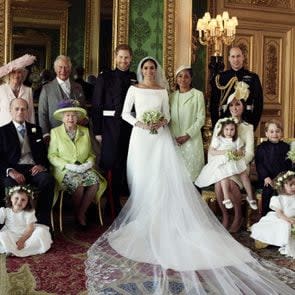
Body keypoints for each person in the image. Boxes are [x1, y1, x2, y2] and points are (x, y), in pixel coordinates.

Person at [85, 57, 294, 295]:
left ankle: (163, 218)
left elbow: (166, 114)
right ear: (141, 70)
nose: (149, 70)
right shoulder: (134, 88)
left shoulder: (164, 91)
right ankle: (144, 217)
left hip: (161, 138)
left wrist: (161, 121)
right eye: (145, 68)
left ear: (156, 70)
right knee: (140, 177)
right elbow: (125, 113)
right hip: (141, 138)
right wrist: (142, 124)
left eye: (152, 67)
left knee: (161, 177)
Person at [91, 44, 137, 216]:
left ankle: (127, 203)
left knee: (127, 164)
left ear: (131, 59)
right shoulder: (105, 77)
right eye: (121, 57)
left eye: (126, 57)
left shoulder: (134, 78)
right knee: (112, 165)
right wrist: (98, 131)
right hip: (110, 127)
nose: (124, 61)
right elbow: (97, 104)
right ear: (115, 57)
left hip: (130, 127)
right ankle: (112, 204)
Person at [48, 100, 106, 227]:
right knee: (78, 185)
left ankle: (80, 213)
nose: (70, 118)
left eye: (73, 115)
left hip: (84, 167)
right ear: (63, 118)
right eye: (67, 115)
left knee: (95, 182)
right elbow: (52, 156)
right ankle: (78, 215)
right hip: (64, 169)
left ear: (78, 118)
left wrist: (88, 164)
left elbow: (91, 153)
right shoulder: (55, 132)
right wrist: (67, 165)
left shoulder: (84, 131)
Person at [0, 98, 54, 227]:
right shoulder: (2, 131)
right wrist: (11, 171)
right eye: (17, 109)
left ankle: (42, 223)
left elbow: (42, 154)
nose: (20, 112)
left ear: (28, 111)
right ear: (10, 111)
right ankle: (8, 225)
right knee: (7, 183)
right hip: (14, 169)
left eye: (23, 109)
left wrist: (41, 165)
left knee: (48, 179)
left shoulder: (36, 129)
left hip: (33, 169)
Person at [213, 82, 256, 232]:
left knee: (230, 183)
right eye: (231, 105)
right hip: (223, 163)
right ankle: (225, 215)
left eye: (237, 105)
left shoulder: (248, 127)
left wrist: (238, 165)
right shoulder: (220, 123)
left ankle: (238, 216)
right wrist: (220, 162)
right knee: (219, 183)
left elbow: (249, 152)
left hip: (240, 168)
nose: (234, 108)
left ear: (243, 106)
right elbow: (214, 146)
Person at [195, 118, 258, 210]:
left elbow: (240, 152)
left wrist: (236, 153)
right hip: (222, 160)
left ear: (235, 130)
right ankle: (226, 197)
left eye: (232, 129)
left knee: (244, 174)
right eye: (227, 129)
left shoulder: (237, 140)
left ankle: (250, 196)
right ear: (222, 130)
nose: (229, 132)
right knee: (223, 174)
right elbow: (212, 151)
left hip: (233, 160)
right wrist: (224, 152)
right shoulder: (219, 139)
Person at [210, 46, 263, 130]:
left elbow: (259, 104)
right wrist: (216, 125)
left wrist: (253, 125)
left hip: (247, 119)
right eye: (233, 56)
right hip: (225, 120)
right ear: (229, 58)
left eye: (238, 56)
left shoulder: (253, 77)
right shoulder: (221, 78)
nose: (236, 60)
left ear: (243, 57)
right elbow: (213, 104)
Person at [38, 55, 86, 144]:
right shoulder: (47, 89)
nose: (63, 71)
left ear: (70, 69)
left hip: (77, 135)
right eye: (60, 67)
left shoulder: (78, 87)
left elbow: (83, 109)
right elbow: (42, 114)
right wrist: (45, 134)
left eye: (66, 67)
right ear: (55, 69)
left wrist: (84, 119)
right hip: (55, 136)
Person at [169, 65, 205, 181]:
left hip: (192, 140)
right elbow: (168, 119)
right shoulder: (171, 96)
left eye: (186, 76)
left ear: (191, 79)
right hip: (175, 140)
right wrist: (173, 137)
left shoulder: (198, 95)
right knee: (176, 176)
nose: (183, 79)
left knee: (192, 177)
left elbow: (201, 119)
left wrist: (187, 135)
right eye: (180, 76)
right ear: (176, 78)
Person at [251, 170, 295, 258]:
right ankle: (284, 243)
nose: (294, 187)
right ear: (282, 186)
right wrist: (288, 219)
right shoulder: (279, 198)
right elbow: (279, 213)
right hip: (284, 218)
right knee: (287, 225)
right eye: (291, 185)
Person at [0, 185, 52, 257]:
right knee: (2, 235)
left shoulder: (29, 212)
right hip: (11, 234)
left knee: (41, 232)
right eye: (16, 198)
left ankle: (19, 249)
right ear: (11, 198)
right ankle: (10, 249)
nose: (19, 202)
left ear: (27, 202)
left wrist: (22, 240)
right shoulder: (6, 211)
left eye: (23, 200)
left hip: (27, 235)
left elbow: (30, 229)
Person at [255, 119, 293, 216]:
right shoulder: (261, 147)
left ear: (281, 133)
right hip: (267, 179)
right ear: (266, 133)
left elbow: (289, 164)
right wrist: (265, 177)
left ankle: (285, 216)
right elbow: (259, 164)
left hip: (283, 177)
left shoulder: (286, 147)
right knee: (269, 191)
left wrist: (287, 177)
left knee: (285, 190)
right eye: (271, 132)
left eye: (277, 131)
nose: (274, 134)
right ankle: (267, 216)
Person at [0, 54, 36, 127]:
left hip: (24, 129)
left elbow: (31, 113)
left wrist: (33, 131)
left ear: (23, 74)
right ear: (9, 74)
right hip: (4, 130)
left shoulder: (28, 90)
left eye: (19, 72)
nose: (16, 75)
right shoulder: (1, 89)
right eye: (13, 72)